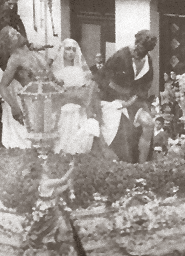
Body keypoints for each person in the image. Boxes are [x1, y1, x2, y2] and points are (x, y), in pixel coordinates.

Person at [96, 30, 156, 163]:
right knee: (124, 129)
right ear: (136, 42)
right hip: (112, 99)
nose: (137, 51)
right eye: (138, 46)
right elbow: (102, 79)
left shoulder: (148, 62)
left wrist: (132, 100)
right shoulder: (120, 56)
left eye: (143, 50)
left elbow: (146, 85)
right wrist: (119, 96)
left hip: (134, 100)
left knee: (149, 123)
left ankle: (142, 164)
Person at [0, 26, 56, 149]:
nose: (17, 34)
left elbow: (50, 75)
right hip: (34, 104)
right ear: (8, 45)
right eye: (12, 35)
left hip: (51, 99)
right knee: (39, 144)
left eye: (16, 31)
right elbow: (2, 86)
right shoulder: (14, 60)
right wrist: (14, 107)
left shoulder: (32, 52)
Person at [50, 39, 100, 155]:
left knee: (77, 134)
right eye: (68, 49)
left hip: (78, 107)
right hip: (62, 108)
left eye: (73, 49)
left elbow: (87, 89)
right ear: (62, 51)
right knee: (62, 133)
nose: (71, 52)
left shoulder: (80, 71)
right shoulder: (56, 72)